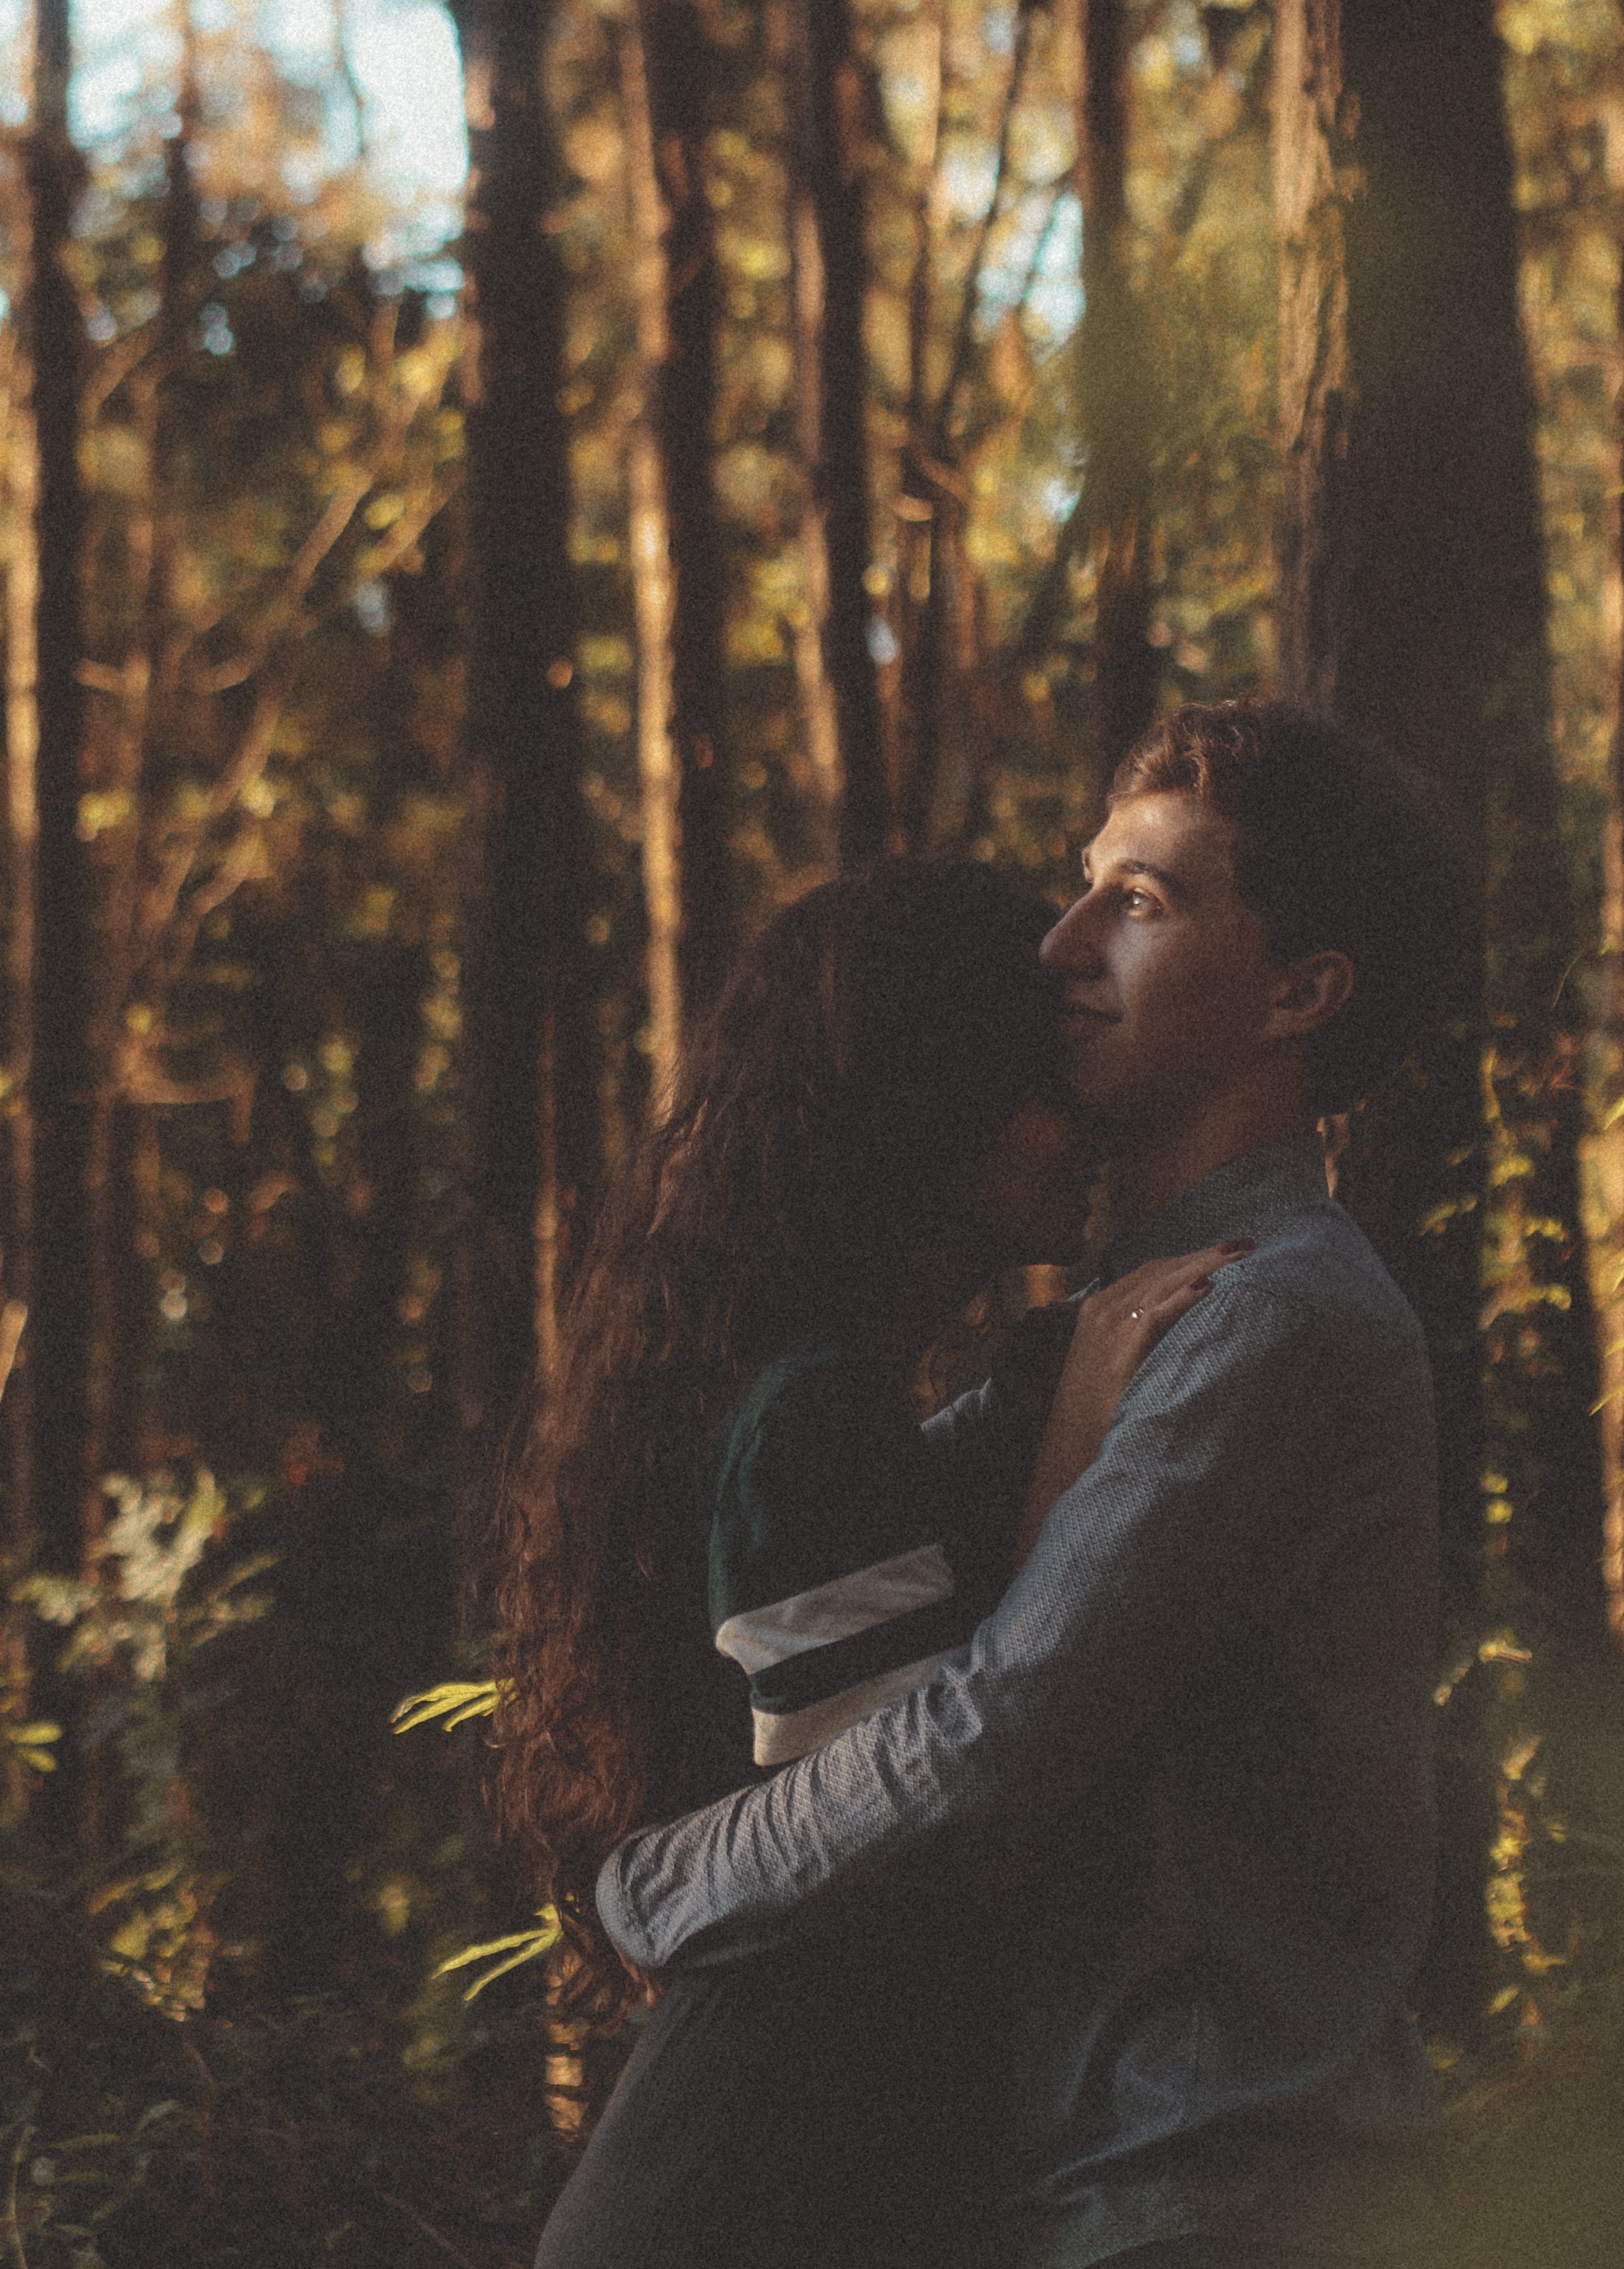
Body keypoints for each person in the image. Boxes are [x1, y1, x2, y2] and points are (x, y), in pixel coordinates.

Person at [599, 701, 1467, 2268]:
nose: (1062, 942)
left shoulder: (1269, 1315)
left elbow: (988, 1734)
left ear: (1299, 991)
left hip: (1209, 2187)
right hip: (1069, 2179)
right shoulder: (1105, 1324)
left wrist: (659, 1890)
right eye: (1084, 885)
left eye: (1142, 903)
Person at [486, 858, 1245, 2268]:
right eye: (1040, 1078)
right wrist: (1077, 1431)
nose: (1077, 1123)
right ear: (929, 1096)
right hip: (744, 2185)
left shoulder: (840, 1401)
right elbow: (914, 1819)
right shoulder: (808, 1413)